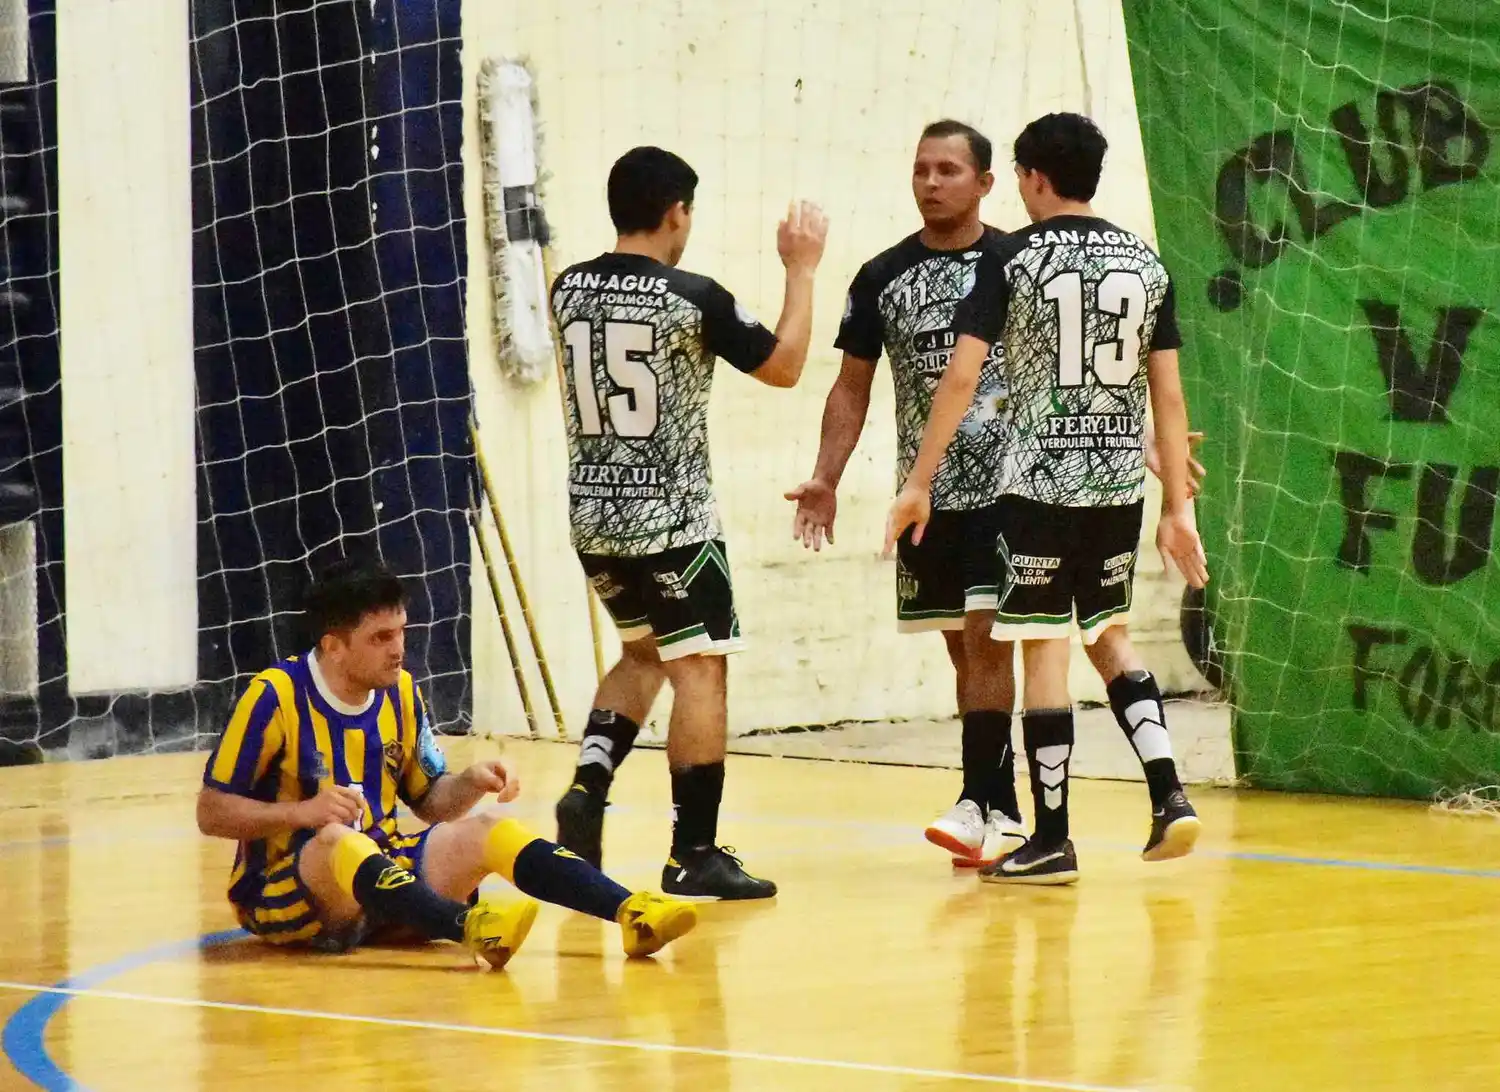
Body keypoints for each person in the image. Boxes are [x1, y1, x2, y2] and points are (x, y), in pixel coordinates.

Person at [790, 119, 1204, 870]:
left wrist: (915, 479)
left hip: (1021, 488)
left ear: (1007, 179)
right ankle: (1115, 797)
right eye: (920, 168)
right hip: (1037, 492)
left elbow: (992, 375)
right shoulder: (886, 275)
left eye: (950, 169)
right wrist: (1172, 489)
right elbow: (1156, 390)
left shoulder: (1014, 259)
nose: (930, 181)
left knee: (1027, 645)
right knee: (1022, 641)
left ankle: (1025, 822)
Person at [550, 146, 828, 900]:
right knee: (699, 669)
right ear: (677, 212)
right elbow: (786, 364)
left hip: (594, 515)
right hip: (673, 521)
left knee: (640, 654)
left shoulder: (567, 289)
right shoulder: (692, 295)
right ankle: (693, 852)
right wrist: (800, 270)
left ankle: (588, 788)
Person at [197, 559, 698, 965]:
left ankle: (631, 911)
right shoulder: (275, 695)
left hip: (382, 882)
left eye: (401, 633)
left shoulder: (401, 694)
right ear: (333, 647)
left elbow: (430, 802)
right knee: (334, 838)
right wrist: (299, 814)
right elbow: (211, 812)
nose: (399, 650)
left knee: (487, 829)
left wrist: (468, 783)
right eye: (381, 638)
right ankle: (469, 929)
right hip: (287, 893)